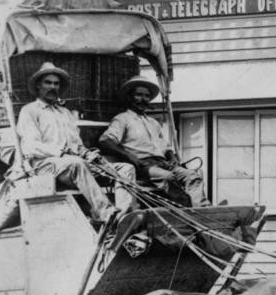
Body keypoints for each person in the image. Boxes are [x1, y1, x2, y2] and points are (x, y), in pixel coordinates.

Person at [16, 62, 135, 223]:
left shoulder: (64, 113)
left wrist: (88, 153)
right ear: (38, 85)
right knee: (77, 163)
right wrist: (62, 152)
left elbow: (76, 145)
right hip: (44, 165)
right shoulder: (29, 111)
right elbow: (32, 145)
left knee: (125, 169)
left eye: (56, 84)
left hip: (72, 165)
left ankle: (124, 217)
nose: (53, 87)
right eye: (48, 83)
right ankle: (106, 213)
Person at [99, 76, 209, 207]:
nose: (143, 99)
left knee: (192, 176)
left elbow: (166, 147)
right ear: (130, 97)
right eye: (138, 95)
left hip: (164, 163)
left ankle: (203, 211)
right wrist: (130, 157)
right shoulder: (122, 119)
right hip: (143, 166)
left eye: (146, 96)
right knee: (168, 178)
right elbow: (105, 141)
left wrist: (172, 157)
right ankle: (188, 210)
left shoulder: (154, 123)